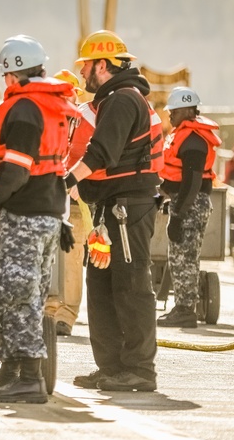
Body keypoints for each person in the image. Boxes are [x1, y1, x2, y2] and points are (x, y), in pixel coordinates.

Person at [0, 36, 79, 404]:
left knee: (18, 295)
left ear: (11, 74)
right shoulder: (51, 107)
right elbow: (55, 165)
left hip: (26, 213)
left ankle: (29, 376)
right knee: (24, 294)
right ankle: (12, 369)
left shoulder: (24, 110)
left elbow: (17, 168)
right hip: (47, 211)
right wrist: (60, 217)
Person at [65, 30, 163, 393]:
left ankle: (138, 369)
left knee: (131, 284)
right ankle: (112, 367)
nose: (82, 73)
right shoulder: (114, 100)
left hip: (127, 209)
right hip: (112, 208)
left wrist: (66, 180)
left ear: (101, 65)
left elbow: (101, 153)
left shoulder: (123, 100)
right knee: (102, 285)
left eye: (86, 65)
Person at [157, 86, 221, 328]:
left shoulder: (193, 140)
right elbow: (176, 177)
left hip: (190, 205)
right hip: (185, 202)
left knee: (185, 257)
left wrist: (179, 216)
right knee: (181, 256)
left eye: (173, 111)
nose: (170, 115)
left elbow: (192, 181)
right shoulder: (184, 136)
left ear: (186, 110)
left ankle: (185, 309)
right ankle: (183, 307)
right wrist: (162, 194)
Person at [43, 69, 91, 337]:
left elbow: (93, 156)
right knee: (49, 258)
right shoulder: (46, 118)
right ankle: (50, 310)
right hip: (48, 199)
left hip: (74, 202)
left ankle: (65, 315)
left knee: (71, 259)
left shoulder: (85, 121)